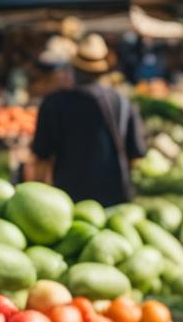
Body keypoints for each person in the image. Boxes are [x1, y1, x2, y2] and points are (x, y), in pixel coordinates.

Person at [30, 34, 146, 207]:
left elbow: (41, 156)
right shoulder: (122, 102)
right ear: (103, 70)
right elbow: (136, 155)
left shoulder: (54, 103)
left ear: (74, 69)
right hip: (115, 200)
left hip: (67, 202)